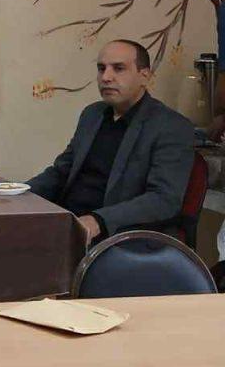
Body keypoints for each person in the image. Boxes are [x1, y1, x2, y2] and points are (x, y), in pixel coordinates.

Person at [27, 39, 193, 245]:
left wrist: (99, 220)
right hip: (68, 223)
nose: (106, 77)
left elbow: (163, 200)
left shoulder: (171, 126)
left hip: (116, 235)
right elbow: (61, 172)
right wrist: (18, 194)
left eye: (119, 68)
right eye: (101, 68)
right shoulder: (92, 114)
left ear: (144, 76)